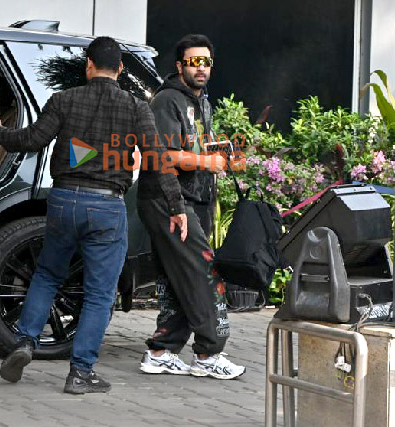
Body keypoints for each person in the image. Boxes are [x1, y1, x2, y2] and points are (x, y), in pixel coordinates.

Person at [0, 36, 187, 394]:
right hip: (106, 206)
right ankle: (81, 372)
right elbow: (158, 159)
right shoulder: (136, 108)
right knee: (99, 293)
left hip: (63, 201)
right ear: (120, 70)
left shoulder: (64, 99)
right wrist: (177, 207)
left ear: (88, 65)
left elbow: (30, 140)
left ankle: (25, 341)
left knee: (46, 274)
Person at [137, 34, 246, 379]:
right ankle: (208, 354)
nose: (201, 68)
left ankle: (161, 352)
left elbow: (195, 147)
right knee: (202, 272)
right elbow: (163, 155)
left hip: (194, 199)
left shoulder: (203, 103)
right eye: (193, 62)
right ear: (179, 66)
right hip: (167, 200)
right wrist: (205, 161)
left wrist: (220, 154)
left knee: (176, 278)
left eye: (206, 62)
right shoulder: (168, 101)